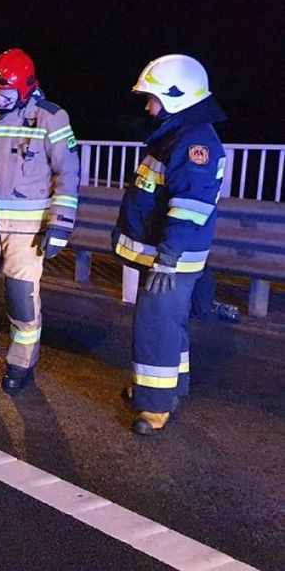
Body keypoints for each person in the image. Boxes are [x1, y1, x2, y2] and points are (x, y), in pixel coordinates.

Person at [0, 49, 81, 393]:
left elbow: (68, 173)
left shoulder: (51, 118)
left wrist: (60, 224)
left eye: (4, 91)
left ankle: (21, 364)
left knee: (21, 298)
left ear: (25, 87)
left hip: (27, 231)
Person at [114, 54, 227, 435]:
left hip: (172, 256)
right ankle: (169, 388)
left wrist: (167, 258)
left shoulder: (194, 142)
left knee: (155, 326)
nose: (148, 107)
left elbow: (188, 208)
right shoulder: (178, 134)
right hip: (169, 252)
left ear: (177, 98)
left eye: (153, 98)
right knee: (169, 324)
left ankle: (154, 407)